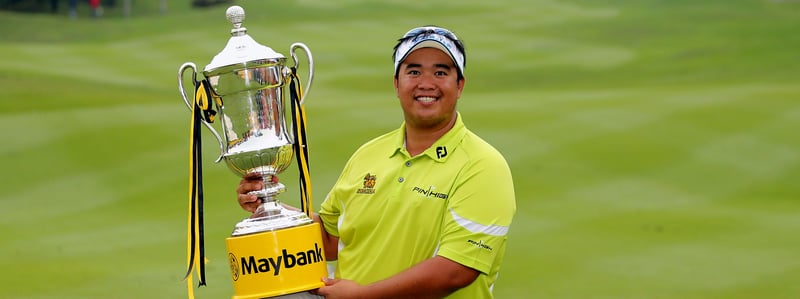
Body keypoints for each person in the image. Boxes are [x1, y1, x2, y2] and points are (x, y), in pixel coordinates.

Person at [237, 25, 517, 299]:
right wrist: (269, 206)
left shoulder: (483, 165)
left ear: (460, 86)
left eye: (441, 72)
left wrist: (364, 295)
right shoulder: (368, 154)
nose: (426, 83)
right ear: (397, 84)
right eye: (414, 71)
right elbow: (332, 239)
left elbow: (454, 271)